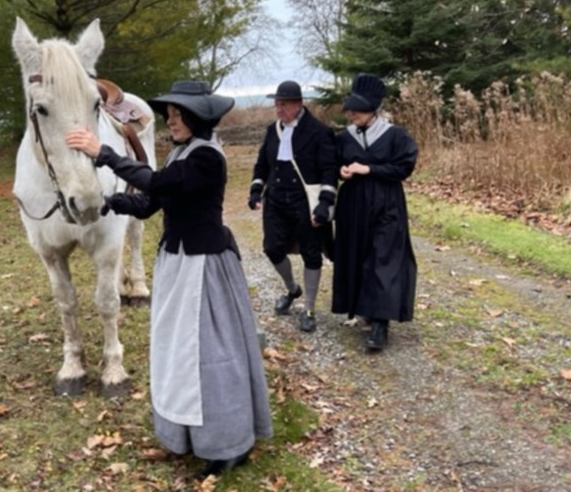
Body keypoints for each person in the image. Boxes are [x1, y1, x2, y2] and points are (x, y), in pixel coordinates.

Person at [65, 80, 272, 479]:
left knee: (211, 356)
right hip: (178, 264)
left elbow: (158, 183)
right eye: (170, 116)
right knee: (179, 351)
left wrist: (104, 154)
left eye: (178, 116)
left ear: (198, 118)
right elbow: (150, 202)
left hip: (205, 267)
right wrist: (108, 202)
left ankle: (228, 443)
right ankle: (188, 433)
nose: (171, 122)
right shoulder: (181, 153)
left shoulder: (208, 158)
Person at [332, 73, 418, 351]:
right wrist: (341, 171)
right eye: (351, 108)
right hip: (353, 205)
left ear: (373, 110)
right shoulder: (344, 138)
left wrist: (368, 169)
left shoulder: (395, 135)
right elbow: (331, 163)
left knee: (384, 257)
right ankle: (364, 308)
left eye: (358, 108)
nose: (352, 113)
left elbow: (404, 167)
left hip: (386, 203)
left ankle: (381, 324)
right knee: (358, 256)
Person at [248, 81, 337, 333]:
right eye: (276, 104)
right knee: (272, 248)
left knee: (311, 253)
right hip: (276, 200)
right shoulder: (272, 131)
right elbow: (262, 165)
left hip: (304, 202)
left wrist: (325, 203)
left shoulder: (319, 132)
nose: (279, 110)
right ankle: (292, 289)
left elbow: (329, 171)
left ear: (299, 104)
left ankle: (308, 308)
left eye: (284, 105)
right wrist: (256, 189)